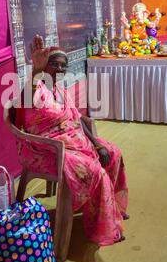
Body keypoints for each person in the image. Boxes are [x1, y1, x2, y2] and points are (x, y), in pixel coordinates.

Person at [16, 35, 129, 246]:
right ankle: (103, 224)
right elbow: (25, 100)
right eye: (53, 64)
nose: (58, 70)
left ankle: (111, 207)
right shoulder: (36, 88)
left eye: (62, 66)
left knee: (112, 152)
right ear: (44, 65)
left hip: (75, 141)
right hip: (46, 149)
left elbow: (78, 118)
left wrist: (96, 143)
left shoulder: (60, 90)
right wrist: (35, 71)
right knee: (95, 171)